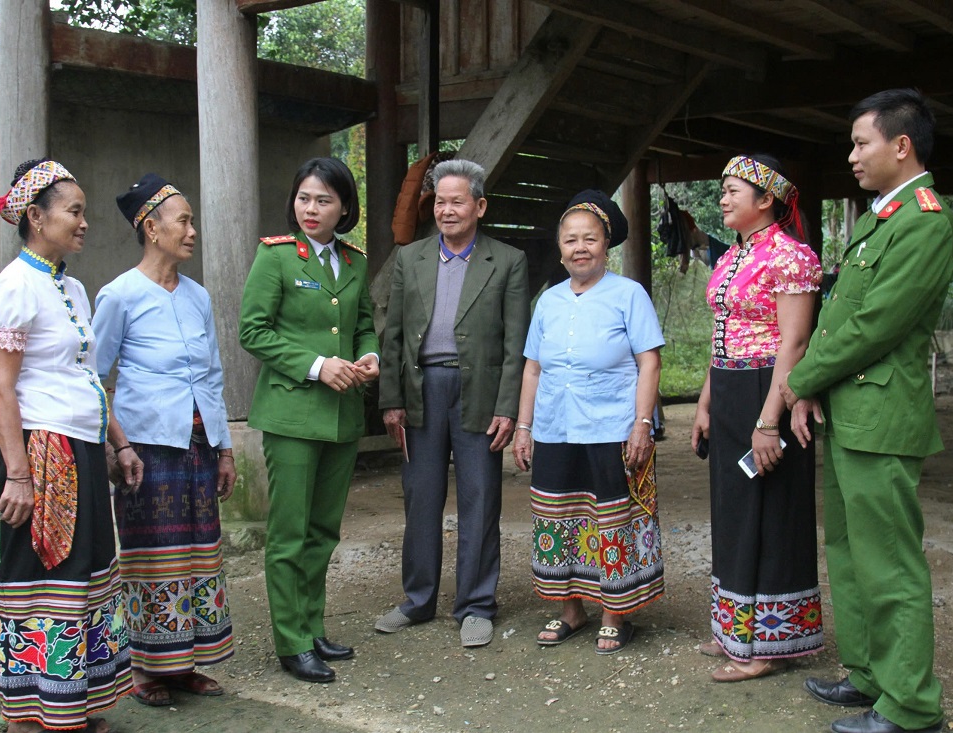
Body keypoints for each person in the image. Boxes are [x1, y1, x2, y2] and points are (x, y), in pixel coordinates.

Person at [780, 89, 953, 733]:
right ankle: (871, 676)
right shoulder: (882, 216)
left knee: (890, 560)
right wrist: (814, 389)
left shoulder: (925, 221)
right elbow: (840, 320)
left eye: (862, 143)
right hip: (849, 408)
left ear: (901, 146)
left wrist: (797, 381)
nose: (851, 155)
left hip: (882, 415)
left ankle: (912, 707)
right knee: (852, 553)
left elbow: (875, 326)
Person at [0, 159, 137, 733]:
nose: (84, 222)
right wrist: (17, 475)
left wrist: (118, 444)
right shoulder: (15, 286)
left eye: (83, 212)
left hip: (82, 447)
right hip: (41, 453)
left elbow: (87, 375)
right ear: (35, 218)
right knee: (43, 571)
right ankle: (31, 714)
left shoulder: (68, 285)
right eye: (73, 211)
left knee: (88, 569)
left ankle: (76, 703)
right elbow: (0, 384)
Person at [92, 174, 236, 707]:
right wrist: (117, 446)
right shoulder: (120, 295)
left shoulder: (197, 297)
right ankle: (146, 671)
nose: (192, 231)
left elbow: (214, 376)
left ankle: (185, 665)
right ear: (151, 229)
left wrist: (223, 449)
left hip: (197, 445)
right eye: (184, 221)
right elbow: (92, 377)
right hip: (146, 449)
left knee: (197, 553)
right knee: (152, 555)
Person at [377, 158, 530, 648]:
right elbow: (394, 335)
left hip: (479, 393)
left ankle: (476, 604)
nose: (446, 210)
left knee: (480, 498)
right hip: (422, 390)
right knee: (420, 496)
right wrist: (391, 399)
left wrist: (509, 407)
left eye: (456, 201)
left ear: (479, 206)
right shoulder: (411, 258)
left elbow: (515, 344)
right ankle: (418, 599)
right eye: (439, 201)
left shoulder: (507, 261)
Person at [238, 157, 379, 683]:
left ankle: (312, 625)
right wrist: (318, 366)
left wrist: (371, 358)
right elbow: (252, 331)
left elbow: (363, 324)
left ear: (345, 207)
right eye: (304, 198)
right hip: (293, 414)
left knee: (323, 531)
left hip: (342, 417)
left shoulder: (355, 261)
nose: (311, 209)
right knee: (290, 534)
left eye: (323, 200)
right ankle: (291, 642)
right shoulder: (275, 257)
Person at [689, 155, 824, 683]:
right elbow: (721, 332)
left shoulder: (792, 257)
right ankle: (734, 630)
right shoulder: (732, 257)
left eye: (731, 190)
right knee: (733, 509)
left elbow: (794, 342)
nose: (722, 199)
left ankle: (769, 643)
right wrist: (704, 403)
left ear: (765, 199)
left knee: (772, 509)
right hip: (728, 388)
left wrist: (769, 420)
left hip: (768, 390)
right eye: (721, 190)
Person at [512, 190, 665, 655]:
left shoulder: (628, 294)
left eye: (590, 239)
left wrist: (643, 422)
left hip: (611, 427)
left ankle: (615, 614)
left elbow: (650, 362)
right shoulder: (549, 302)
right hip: (556, 427)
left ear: (606, 245)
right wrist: (523, 427)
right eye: (571, 240)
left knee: (610, 518)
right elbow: (533, 368)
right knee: (560, 516)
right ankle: (571, 610)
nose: (580, 248)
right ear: (559, 248)